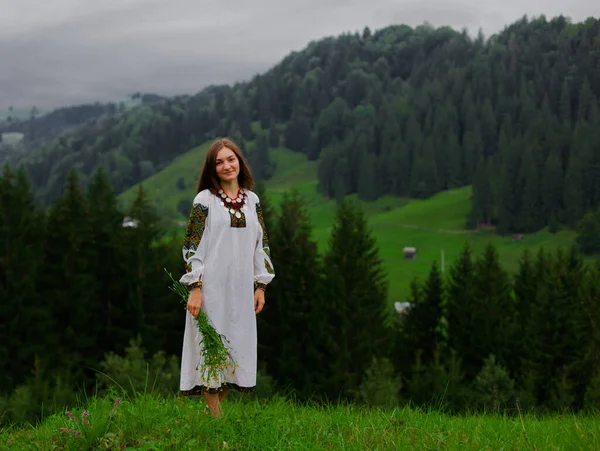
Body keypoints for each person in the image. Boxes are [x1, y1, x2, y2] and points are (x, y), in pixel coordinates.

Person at [178, 137, 275, 417]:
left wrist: (261, 286)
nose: (226, 165)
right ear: (212, 168)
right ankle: (217, 420)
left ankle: (213, 413)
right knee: (211, 348)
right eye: (219, 162)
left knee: (235, 350)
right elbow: (191, 247)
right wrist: (195, 288)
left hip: (241, 291)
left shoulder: (252, 200)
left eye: (230, 159)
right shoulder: (205, 200)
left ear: (239, 161)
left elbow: (262, 244)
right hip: (211, 291)